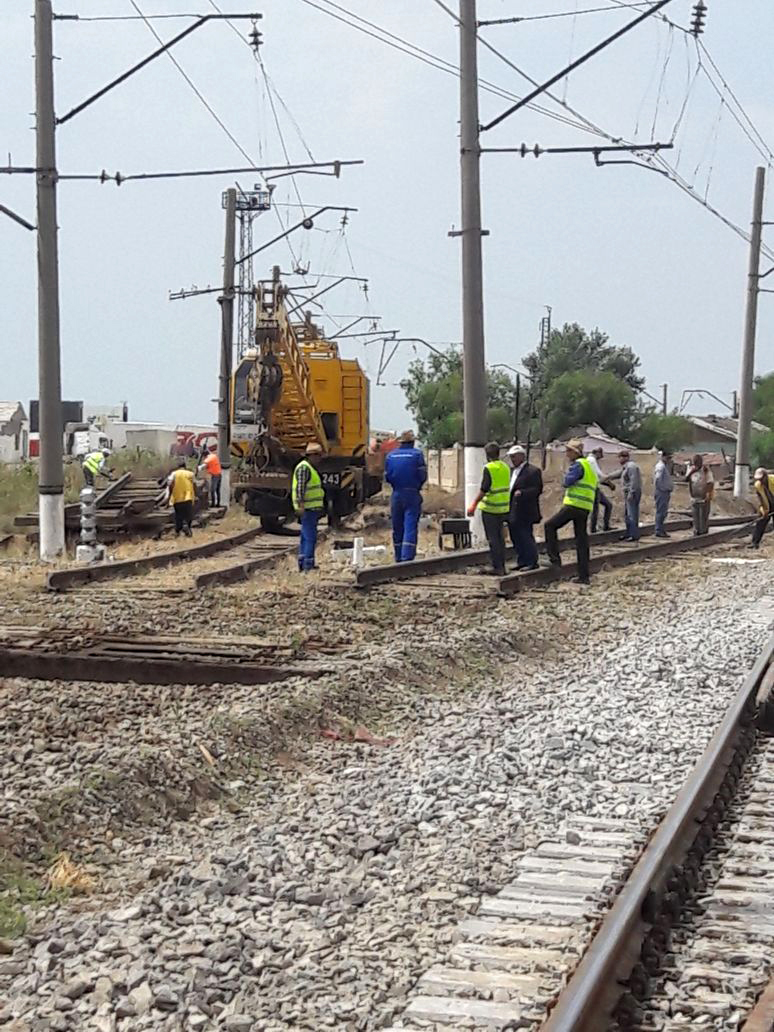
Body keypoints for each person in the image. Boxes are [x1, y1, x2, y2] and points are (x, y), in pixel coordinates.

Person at [544, 438, 598, 585]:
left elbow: (567, 482)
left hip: (574, 505)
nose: (566, 454)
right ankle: (583, 576)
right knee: (581, 541)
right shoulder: (589, 466)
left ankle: (554, 560)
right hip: (585, 507)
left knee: (549, 526)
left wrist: (565, 474)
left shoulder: (578, 466)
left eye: (568, 451)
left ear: (576, 452)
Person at [467, 442, 510, 576]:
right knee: (500, 539)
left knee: (493, 539)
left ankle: (497, 567)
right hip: (503, 508)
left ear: (487, 455)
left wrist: (473, 505)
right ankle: (501, 565)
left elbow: (484, 489)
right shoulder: (505, 467)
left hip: (491, 509)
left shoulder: (489, 468)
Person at [385, 429, 427, 562]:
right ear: (413, 442)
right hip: (412, 493)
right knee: (410, 524)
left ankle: (398, 556)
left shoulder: (391, 456)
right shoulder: (417, 455)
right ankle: (407, 557)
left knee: (397, 526)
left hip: (396, 493)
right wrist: (417, 486)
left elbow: (387, 476)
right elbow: (422, 475)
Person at [507, 444, 543, 570]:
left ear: (522, 456)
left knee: (525, 535)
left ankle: (532, 561)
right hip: (513, 509)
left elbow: (537, 489)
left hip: (526, 510)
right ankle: (521, 560)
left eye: (514, 457)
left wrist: (522, 493)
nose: (512, 459)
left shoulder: (533, 471)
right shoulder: (511, 471)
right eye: (511, 457)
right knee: (515, 535)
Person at [292, 442, 325, 572]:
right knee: (310, 536)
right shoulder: (305, 468)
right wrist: (300, 505)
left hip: (311, 508)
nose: (320, 459)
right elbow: (300, 488)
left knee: (306, 536)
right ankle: (308, 565)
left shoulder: (308, 467)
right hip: (308, 508)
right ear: (312, 456)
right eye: (318, 456)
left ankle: (303, 562)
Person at [610, 449, 642, 542]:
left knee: (632, 514)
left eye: (620, 457)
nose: (619, 460)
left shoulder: (631, 467)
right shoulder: (626, 467)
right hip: (628, 493)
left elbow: (634, 481)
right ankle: (629, 533)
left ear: (625, 458)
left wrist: (631, 493)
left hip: (631, 493)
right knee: (628, 514)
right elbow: (619, 474)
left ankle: (633, 534)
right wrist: (607, 477)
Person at [165, 457, 196, 537]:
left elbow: (170, 485)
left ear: (178, 467)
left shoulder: (174, 474)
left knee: (178, 515)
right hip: (188, 497)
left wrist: (169, 497)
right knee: (188, 514)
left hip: (177, 497)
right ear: (185, 466)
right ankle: (187, 528)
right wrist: (196, 495)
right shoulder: (190, 474)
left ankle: (178, 530)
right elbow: (194, 485)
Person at [587, 447, 616, 533]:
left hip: (596, 487)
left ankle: (605, 526)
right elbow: (600, 475)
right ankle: (593, 530)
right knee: (595, 509)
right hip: (593, 488)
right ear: (597, 453)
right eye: (601, 454)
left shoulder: (591, 460)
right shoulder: (591, 460)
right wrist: (610, 481)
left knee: (608, 505)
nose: (602, 456)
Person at [685, 454, 714, 536]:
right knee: (695, 516)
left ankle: (703, 532)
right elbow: (685, 479)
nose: (696, 464)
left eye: (698, 462)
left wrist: (708, 494)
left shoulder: (706, 470)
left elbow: (710, 482)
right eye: (695, 463)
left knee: (703, 516)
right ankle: (697, 531)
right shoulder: (691, 470)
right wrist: (691, 472)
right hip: (694, 497)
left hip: (704, 497)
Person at [750, 467, 774, 548]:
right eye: (758, 479)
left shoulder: (773, 479)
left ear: (765, 476)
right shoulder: (758, 485)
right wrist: (764, 510)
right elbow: (760, 498)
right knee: (760, 523)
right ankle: (754, 543)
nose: (760, 481)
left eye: (761, 479)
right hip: (767, 505)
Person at [653, 450, 674, 538]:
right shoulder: (661, 467)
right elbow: (657, 479)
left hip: (664, 491)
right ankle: (659, 530)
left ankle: (660, 529)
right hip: (662, 492)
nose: (669, 460)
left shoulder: (664, 466)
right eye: (668, 458)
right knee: (661, 512)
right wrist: (662, 488)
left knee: (663, 512)